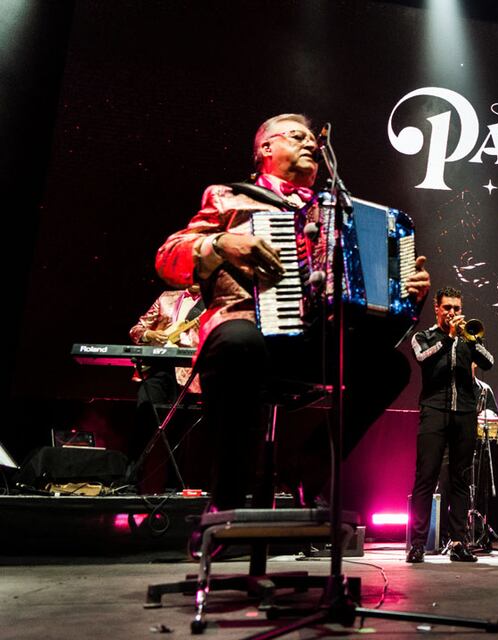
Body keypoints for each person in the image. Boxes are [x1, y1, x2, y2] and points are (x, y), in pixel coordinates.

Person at [155, 113, 430, 513]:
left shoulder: (337, 211)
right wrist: (220, 244)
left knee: (391, 368)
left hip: (311, 343)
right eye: (297, 137)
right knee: (238, 341)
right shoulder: (229, 197)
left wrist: (408, 292)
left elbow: (369, 298)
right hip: (248, 331)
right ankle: (227, 503)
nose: (310, 145)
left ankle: (310, 466)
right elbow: (167, 258)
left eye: (312, 143)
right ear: (266, 148)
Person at [406, 287, 493, 563]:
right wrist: (449, 338)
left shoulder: (467, 338)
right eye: (448, 308)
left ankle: (457, 542)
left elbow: (488, 362)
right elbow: (422, 357)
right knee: (426, 477)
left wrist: (470, 340)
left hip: (465, 414)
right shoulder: (425, 336)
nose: (453, 313)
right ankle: (417, 544)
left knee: (461, 479)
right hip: (433, 410)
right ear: (437, 308)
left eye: (456, 308)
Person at [127, 285, 204, 492]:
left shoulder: (213, 304)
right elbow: (136, 329)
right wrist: (150, 336)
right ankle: (130, 481)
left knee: (178, 432)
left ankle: (173, 489)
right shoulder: (166, 298)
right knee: (144, 419)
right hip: (156, 370)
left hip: (188, 374)